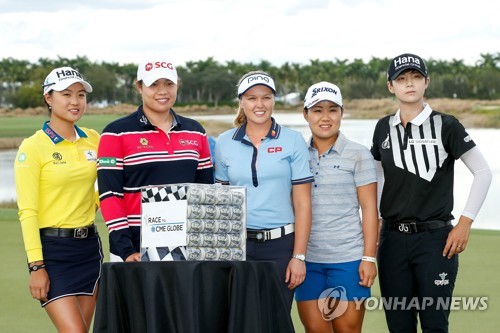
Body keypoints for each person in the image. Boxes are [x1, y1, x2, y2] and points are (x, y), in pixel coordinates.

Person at [371, 53, 492, 332]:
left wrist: (465, 223)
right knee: (399, 324)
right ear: (391, 87)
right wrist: (375, 219)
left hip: (435, 240)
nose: (409, 84)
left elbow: (483, 172)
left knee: (435, 324)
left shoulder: (446, 125)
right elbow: (377, 174)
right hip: (391, 240)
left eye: (415, 77)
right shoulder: (382, 128)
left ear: (426, 82)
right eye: (401, 79)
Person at [97, 57, 214, 262]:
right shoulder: (115, 133)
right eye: (154, 84)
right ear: (139, 87)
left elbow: (205, 192)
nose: (163, 91)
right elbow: (110, 195)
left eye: (169, 84)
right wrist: (126, 250)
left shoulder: (196, 131)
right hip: (135, 250)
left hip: (186, 248)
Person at [214, 70, 313, 310]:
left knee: (276, 319)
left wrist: (298, 257)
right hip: (239, 246)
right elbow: (222, 202)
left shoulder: (292, 140)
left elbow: (303, 204)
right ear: (241, 102)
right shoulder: (225, 142)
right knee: (240, 319)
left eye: (266, 97)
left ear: (273, 100)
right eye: (251, 98)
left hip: (281, 245)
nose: (260, 104)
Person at [14, 66, 102, 332]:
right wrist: (36, 266)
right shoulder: (33, 147)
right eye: (66, 94)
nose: (75, 102)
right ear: (48, 98)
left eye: (80, 95)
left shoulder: (95, 140)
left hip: (89, 250)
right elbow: (28, 211)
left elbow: (104, 189)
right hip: (53, 253)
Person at [295, 82, 379, 333]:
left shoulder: (358, 154)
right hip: (307, 261)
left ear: (341, 113)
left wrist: (368, 257)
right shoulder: (297, 153)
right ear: (306, 114)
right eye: (317, 110)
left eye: (332, 110)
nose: (325, 117)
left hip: (349, 260)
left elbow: (369, 209)